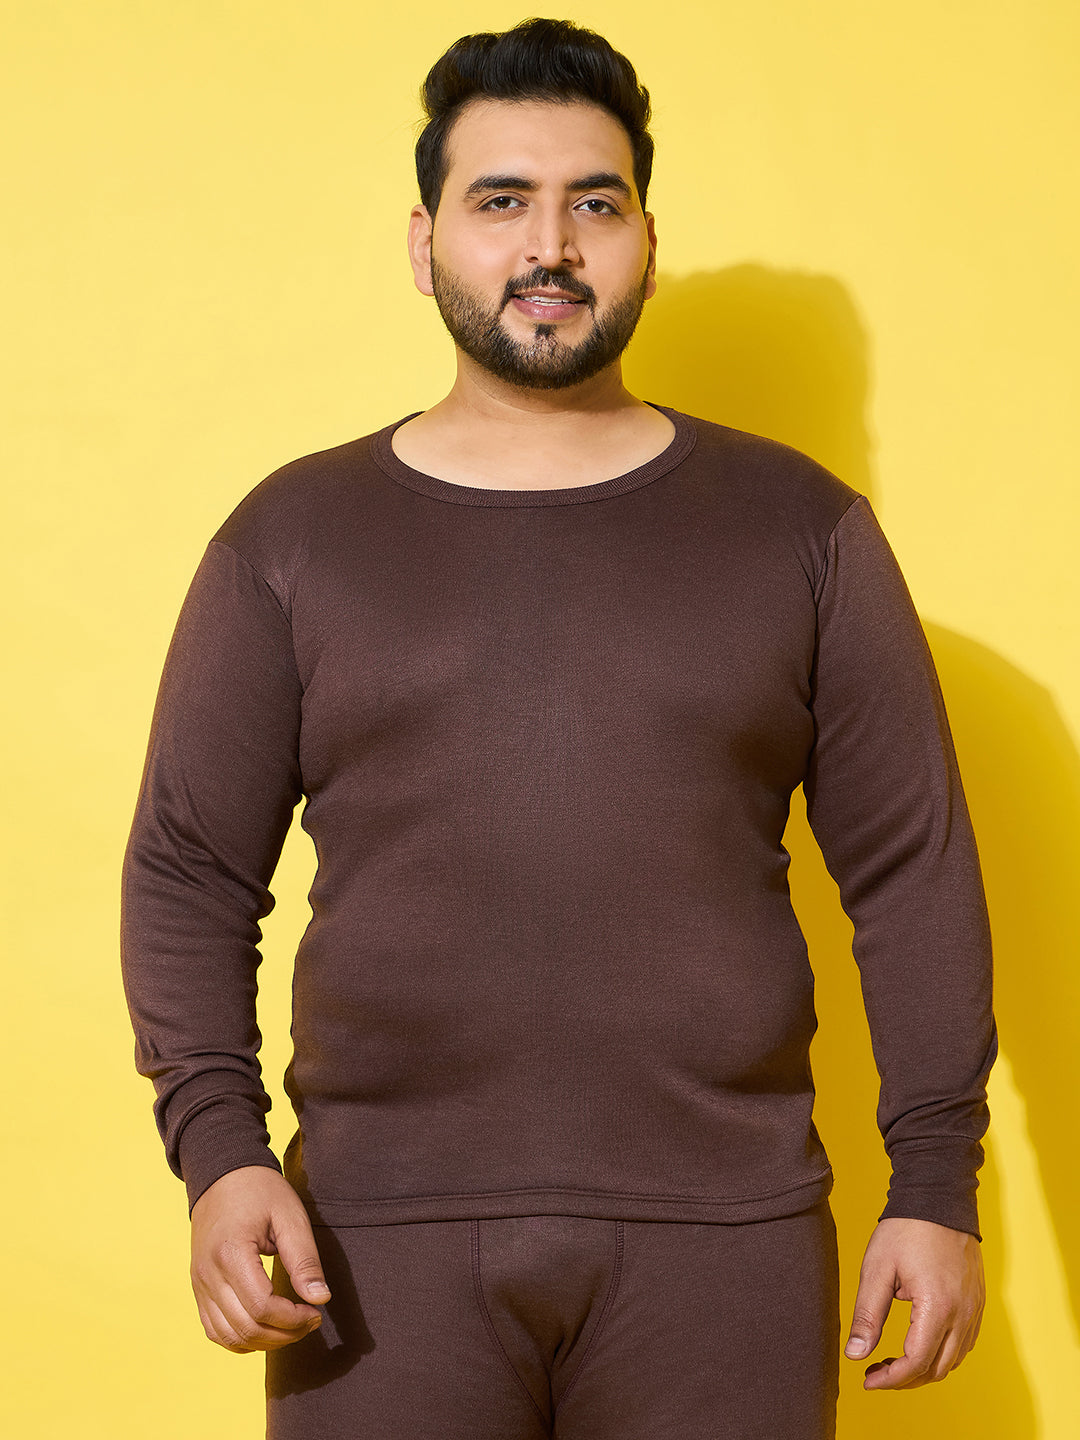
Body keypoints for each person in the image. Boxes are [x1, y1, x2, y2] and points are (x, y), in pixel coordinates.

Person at [120, 17, 997, 1440]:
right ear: (426, 244)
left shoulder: (804, 530)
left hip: (727, 1240)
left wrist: (938, 1184)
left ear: (647, 240)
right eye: (501, 201)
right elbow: (188, 869)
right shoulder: (293, 538)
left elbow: (912, 873)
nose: (551, 245)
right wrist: (220, 1154)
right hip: (374, 1243)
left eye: (596, 202)